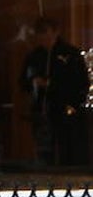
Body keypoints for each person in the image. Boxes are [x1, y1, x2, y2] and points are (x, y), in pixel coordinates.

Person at [21, 17, 90, 167]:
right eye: (39, 33)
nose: (42, 37)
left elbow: (80, 82)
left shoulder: (70, 54)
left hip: (64, 110)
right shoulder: (34, 56)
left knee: (66, 147)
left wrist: (70, 102)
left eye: (45, 32)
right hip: (41, 110)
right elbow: (23, 81)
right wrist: (34, 82)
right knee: (44, 149)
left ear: (55, 32)